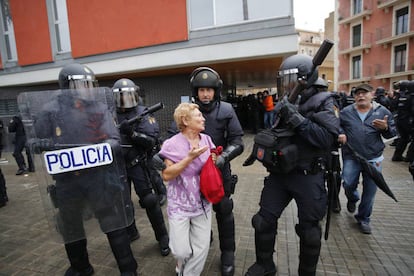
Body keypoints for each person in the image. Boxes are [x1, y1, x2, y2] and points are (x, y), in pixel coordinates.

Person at [30, 63, 138, 275]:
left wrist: (104, 146)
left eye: (90, 84)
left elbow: (114, 140)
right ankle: (81, 268)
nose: (88, 88)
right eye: (83, 84)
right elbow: (32, 140)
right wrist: (38, 143)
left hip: (98, 179)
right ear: (68, 86)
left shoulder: (98, 108)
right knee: (71, 229)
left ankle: (128, 269)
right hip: (67, 181)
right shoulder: (50, 111)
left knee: (113, 225)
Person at [244, 54, 340, 276]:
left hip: (308, 175)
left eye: (292, 80)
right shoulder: (286, 100)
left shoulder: (324, 101)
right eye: (285, 80)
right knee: (262, 222)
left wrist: (298, 119)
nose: (288, 86)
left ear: (306, 79)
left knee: (309, 233)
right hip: (280, 174)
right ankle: (265, 264)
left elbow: (327, 139)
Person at [190, 67, 244, 276]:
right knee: (197, 212)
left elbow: (238, 141)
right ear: (196, 91)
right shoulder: (188, 110)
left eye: (209, 90)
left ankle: (228, 253)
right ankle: (201, 245)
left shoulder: (226, 110)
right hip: (194, 174)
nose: (205, 94)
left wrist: (222, 159)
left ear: (216, 91)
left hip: (219, 171)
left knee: (224, 210)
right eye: (202, 90)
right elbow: (172, 137)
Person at [113, 78, 170, 256]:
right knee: (122, 203)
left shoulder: (143, 113)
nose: (125, 100)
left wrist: (132, 133)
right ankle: (131, 231)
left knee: (149, 200)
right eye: (121, 96)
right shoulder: (110, 114)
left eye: (128, 95)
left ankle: (162, 237)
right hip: (117, 166)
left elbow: (151, 141)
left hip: (137, 163)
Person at [159, 102, 215, 275]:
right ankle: (180, 264)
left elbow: (212, 155)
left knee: (201, 249)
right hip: (180, 205)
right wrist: (189, 158)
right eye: (198, 115)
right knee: (181, 251)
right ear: (185, 120)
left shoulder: (206, 139)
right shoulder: (171, 144)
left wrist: (214, 159)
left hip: (203, 202)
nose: (203, 118)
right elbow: (167, 175)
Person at [338, 83, 396, 234]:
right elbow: (338, 126)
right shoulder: (346, 112)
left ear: (372, 95)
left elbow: (391, 134)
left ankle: (364, 219)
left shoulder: (382, 111)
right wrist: (341, 133)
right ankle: (352, 198)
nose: (361, 96)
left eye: (365, 93)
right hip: (351, 156)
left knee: (370, 191)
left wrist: (385, 128)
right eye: (358, 93)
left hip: (373, 158)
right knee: (349, 183)